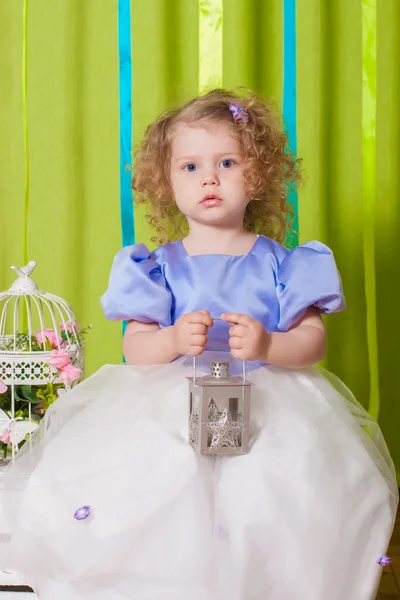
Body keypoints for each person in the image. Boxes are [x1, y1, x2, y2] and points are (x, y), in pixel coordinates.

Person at [0, 89, 397, 600]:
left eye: (227, 162)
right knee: (164, 488)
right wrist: (168, 338)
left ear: (258, 175)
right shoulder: (156, 266)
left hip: (268, 401)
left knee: (270, 492)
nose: (208, 178)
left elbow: (312, 339)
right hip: (173, 400)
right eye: (189, 166)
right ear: (166, 182)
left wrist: (269, 345)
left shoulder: (287, 262)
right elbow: (136, 350)